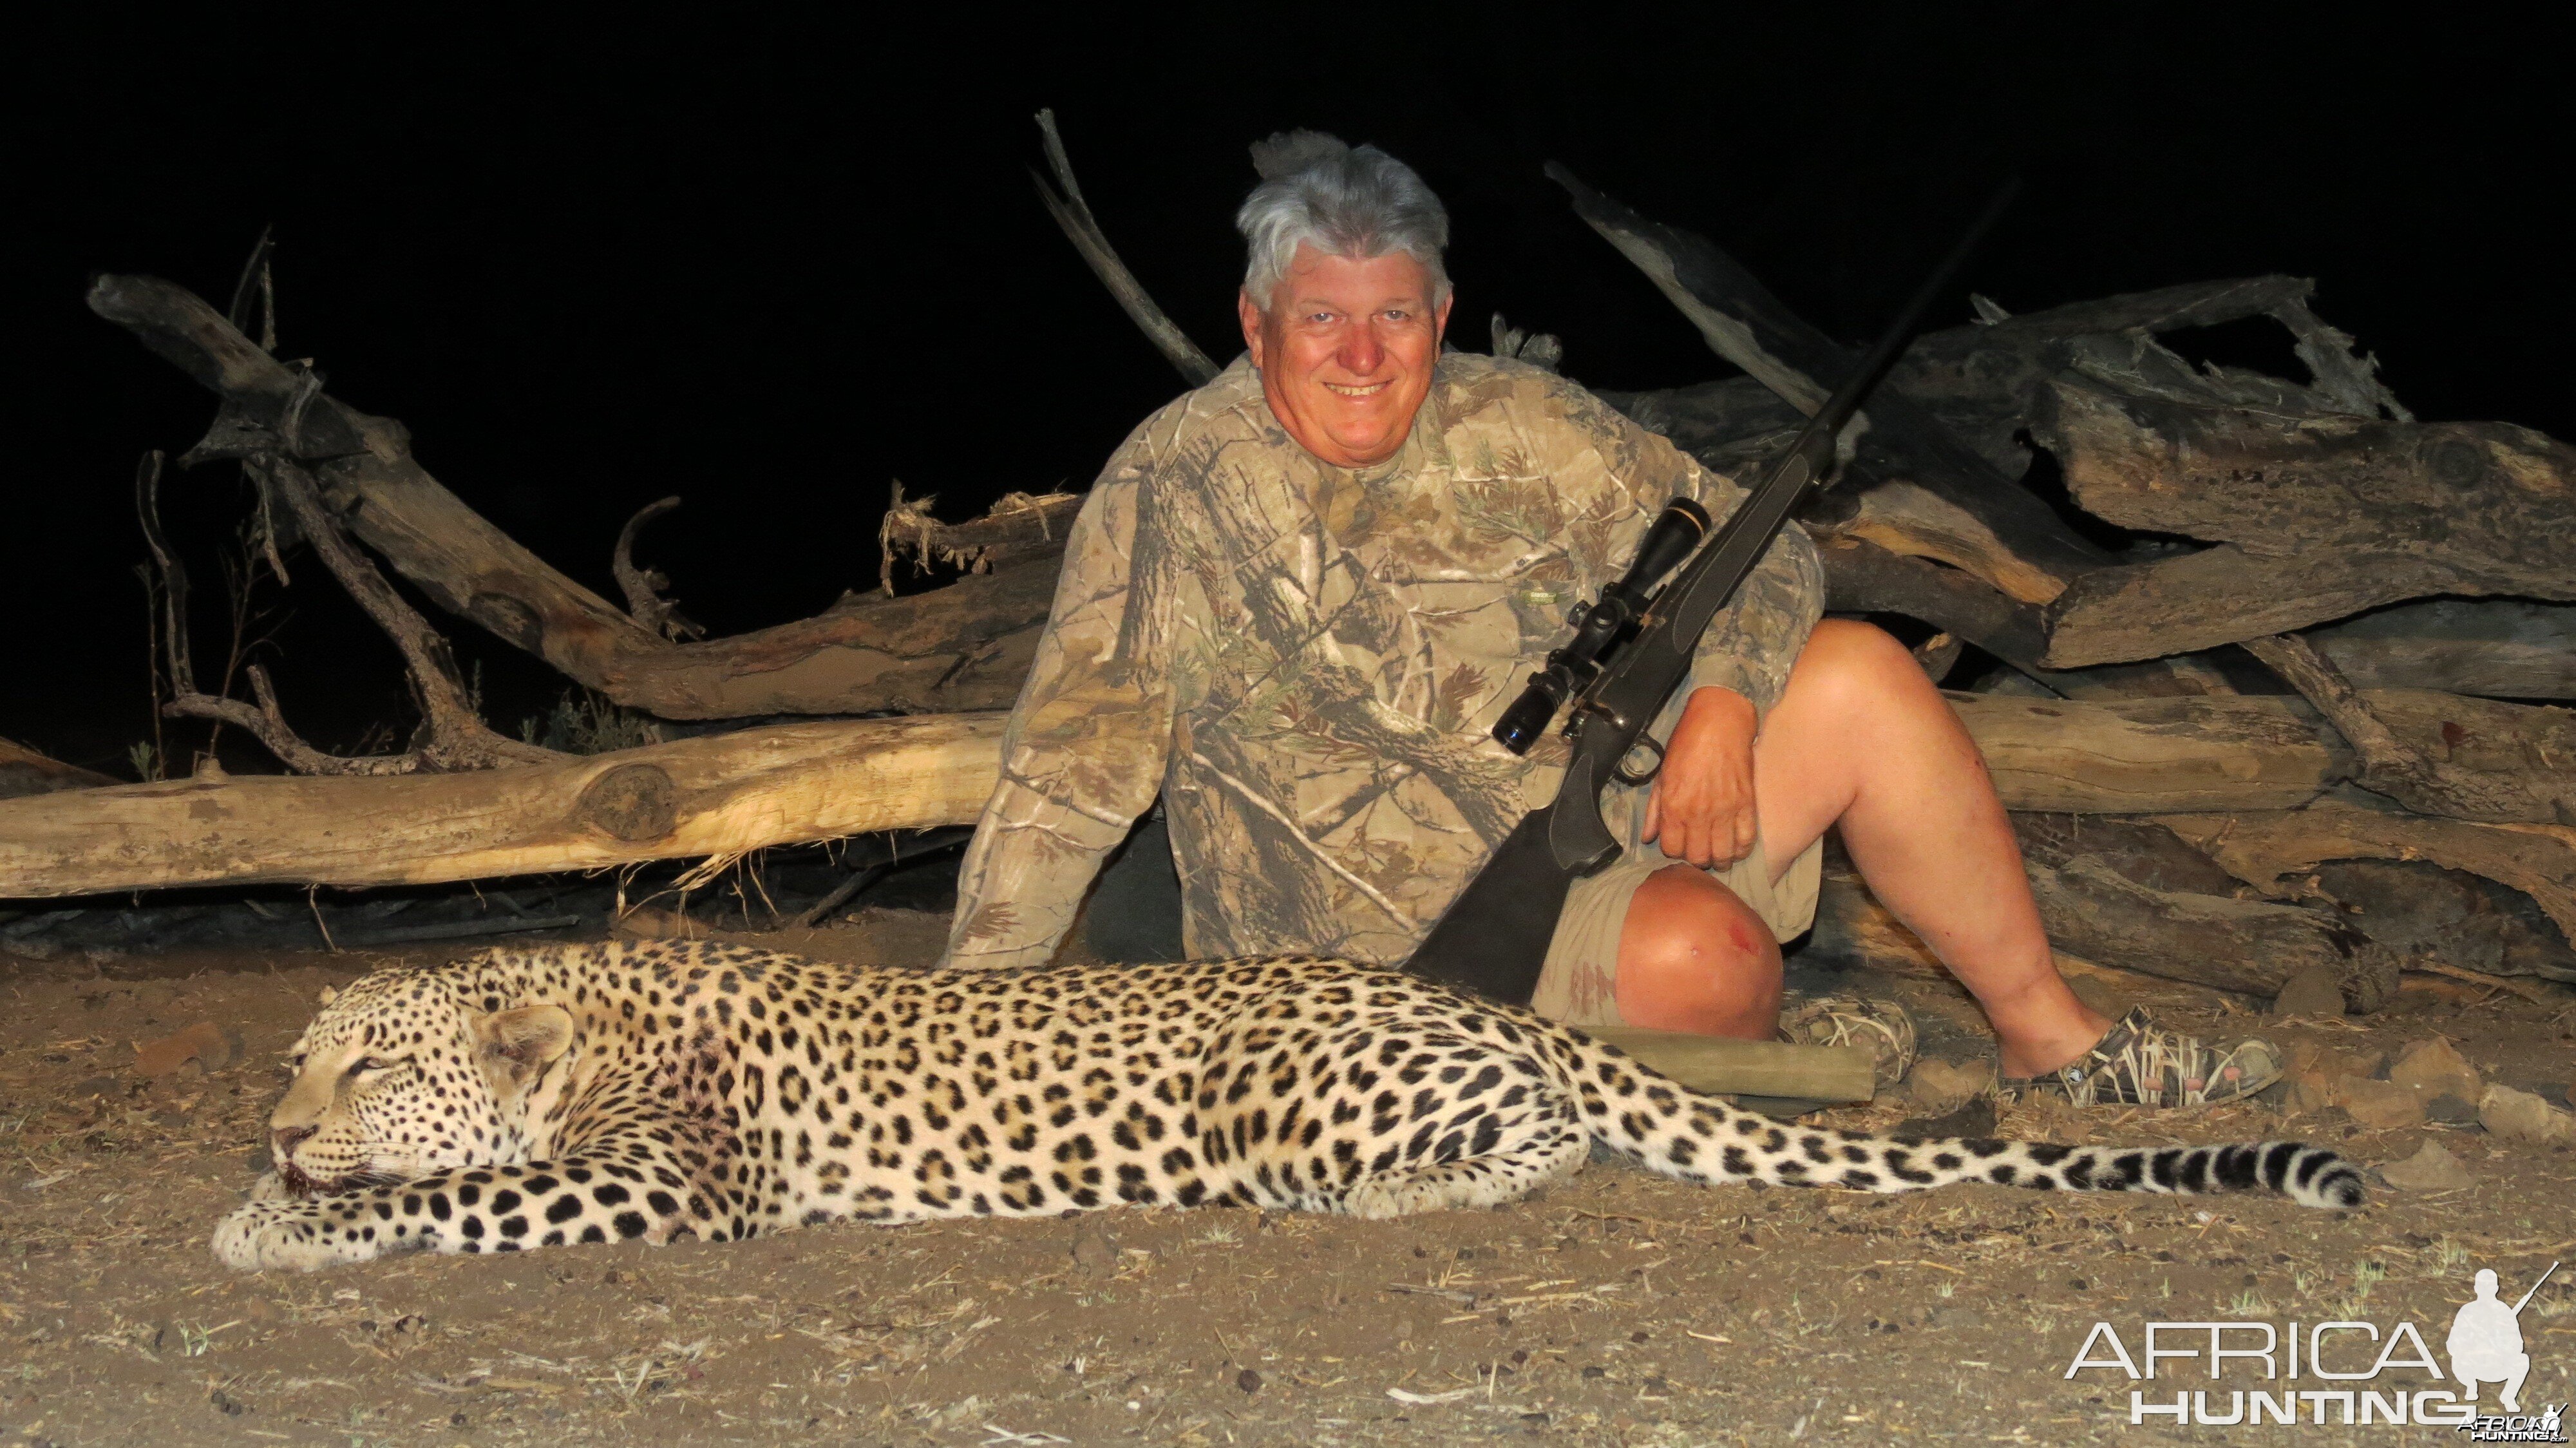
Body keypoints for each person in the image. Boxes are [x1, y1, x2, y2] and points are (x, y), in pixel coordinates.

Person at [942, 129, 2282, 1110]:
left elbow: (1756, 553)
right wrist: (961, 1034)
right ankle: (1663, 1063)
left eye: (1393, 315)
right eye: (1324, 320)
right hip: (1372, 969)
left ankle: (2049, 1038)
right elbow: (1067, 773)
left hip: (1591, 804)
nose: (1363, 356)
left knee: (1863, 679)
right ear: (1253, 322)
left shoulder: (1523, 426)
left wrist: (1720, 700)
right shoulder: (1174, 480)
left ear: (1440, 314)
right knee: (1708, 961)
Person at [2447, 1268, 2533, 1412]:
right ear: (2476, 1288)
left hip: (2498, 1367)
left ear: (2496, 1288)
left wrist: (2500, 1343)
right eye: (2483, 1286)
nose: (2486, 1289)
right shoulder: (2467, 1311)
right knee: (2457, 1359)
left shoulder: (2505, 1311)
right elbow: (2453, 1344)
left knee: (2522, 1360)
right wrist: (2473, 1344)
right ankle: (2471, 1386)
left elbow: (2518, 1346)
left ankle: (2508, 1396)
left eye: (2490, 1285)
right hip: (2472, 1366)